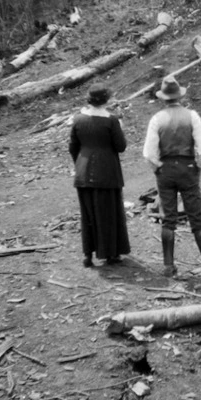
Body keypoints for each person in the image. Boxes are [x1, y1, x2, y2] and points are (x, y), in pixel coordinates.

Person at [143, 76, 201, 279]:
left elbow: (148, 153)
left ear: (164, 98)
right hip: (188, 169)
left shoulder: (157, 119)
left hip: (166, 171)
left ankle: (168, 267)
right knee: (197, 219)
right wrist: (197, 166)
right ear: (180, 95)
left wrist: (158, 168)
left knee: (168, 219)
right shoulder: (192, 116)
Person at [69, 83, 130, 267]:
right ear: (106, 99)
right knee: (108, 213)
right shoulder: (111, 120)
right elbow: (121, 146)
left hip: (83, 171)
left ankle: (88, 254)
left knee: (87, 213)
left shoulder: (78, 119)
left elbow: (73, 147)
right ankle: (110, 254)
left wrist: (79, 165)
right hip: (107, 171)